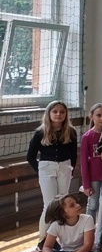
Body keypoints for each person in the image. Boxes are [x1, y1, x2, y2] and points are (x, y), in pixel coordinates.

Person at [27, 100, 78, 239]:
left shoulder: (71, 131)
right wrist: (40, 171)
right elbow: (30, 156)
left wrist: (71, 171)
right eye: (55, 111)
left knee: (63, 203)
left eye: (62, 112)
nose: (58, 114)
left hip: (65, 167)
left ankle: (61, 238)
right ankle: (43, 239)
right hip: (46, 167)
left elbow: (74, 155)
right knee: (49, 204)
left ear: (66, 114)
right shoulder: (40, 132)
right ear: (49, 113)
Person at [25, 194, 96, 252]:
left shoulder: (87, 219)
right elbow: (47, 246)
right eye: (72, 205)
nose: (78, 205)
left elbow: (87, 246)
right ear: (62, 213)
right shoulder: (56, 224)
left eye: (76, 202)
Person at [80, 104, 102, 230]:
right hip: (94, 177)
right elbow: (83, 162)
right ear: (91, 116)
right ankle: (89, 231)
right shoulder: (87, 137)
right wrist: (86, 184)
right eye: (98, 115)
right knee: (93, 205)